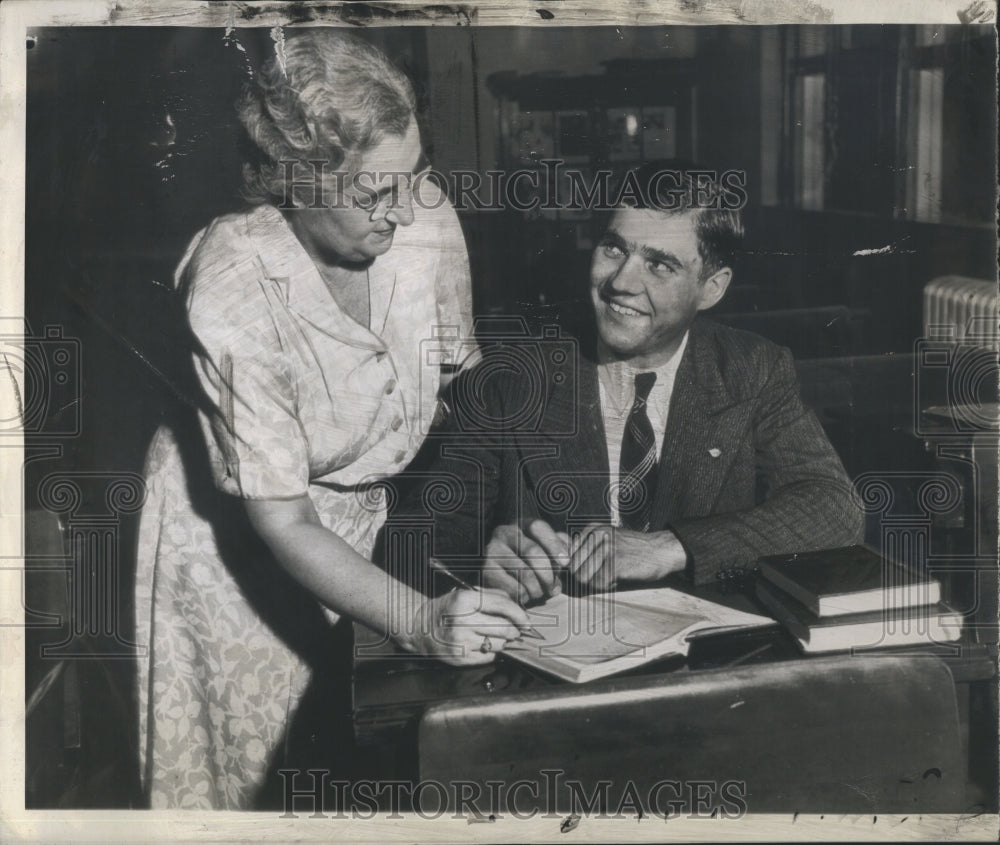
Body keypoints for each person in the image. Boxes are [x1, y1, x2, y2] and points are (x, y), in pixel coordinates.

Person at [134, 30, 529, 811]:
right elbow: (282, 517)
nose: (403, 211)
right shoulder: (233, 285)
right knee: (257, 785)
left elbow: (466, 390)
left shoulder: (424, 221)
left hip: (361, 531)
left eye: (413, 177)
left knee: (360, 768)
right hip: (233, 552)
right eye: (373, 193)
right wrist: (418, 619)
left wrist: (513, 517)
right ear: (294, 183)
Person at [384, 163, 864, 603]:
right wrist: (477, 568)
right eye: (614, 248)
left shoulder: (751, 371)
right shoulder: (511, 379)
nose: (621, 282)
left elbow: (835, 507)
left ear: (711, 288)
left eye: (660, 264)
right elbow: (410, 543)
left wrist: (670, 546)